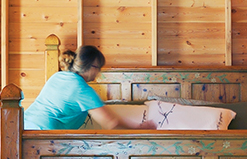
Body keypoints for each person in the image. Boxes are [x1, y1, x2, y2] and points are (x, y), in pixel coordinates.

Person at [24, 45, 155, 130]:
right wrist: (139, 129)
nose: (98, 73)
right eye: (98, 68)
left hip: (23, 127)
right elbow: (111, 123)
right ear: (91, 66)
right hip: (42, 134)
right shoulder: (81, 88)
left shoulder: (58, 76)